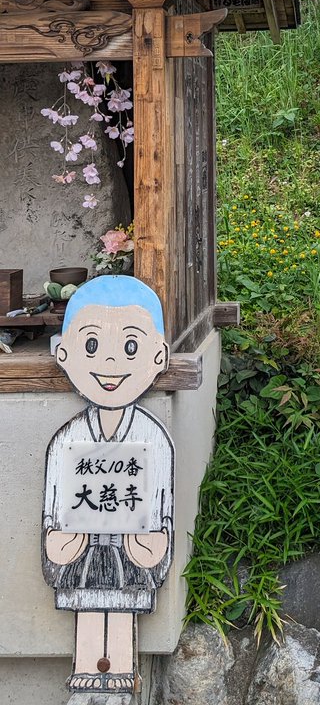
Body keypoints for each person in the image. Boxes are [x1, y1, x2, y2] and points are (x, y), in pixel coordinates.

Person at [42, 276, 174, 696]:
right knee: (86, 609)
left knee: (121, 609)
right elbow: (53, 507)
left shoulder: (153, 438)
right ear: (64, 352)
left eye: (131, 346)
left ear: (158, 355)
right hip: (80, 555)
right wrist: (56, 537)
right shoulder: (67, 439)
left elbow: (161, 507)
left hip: (130, 557)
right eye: (93, 345)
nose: (112, 364)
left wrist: (156, 541)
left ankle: (119, 669)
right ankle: (85, 670)